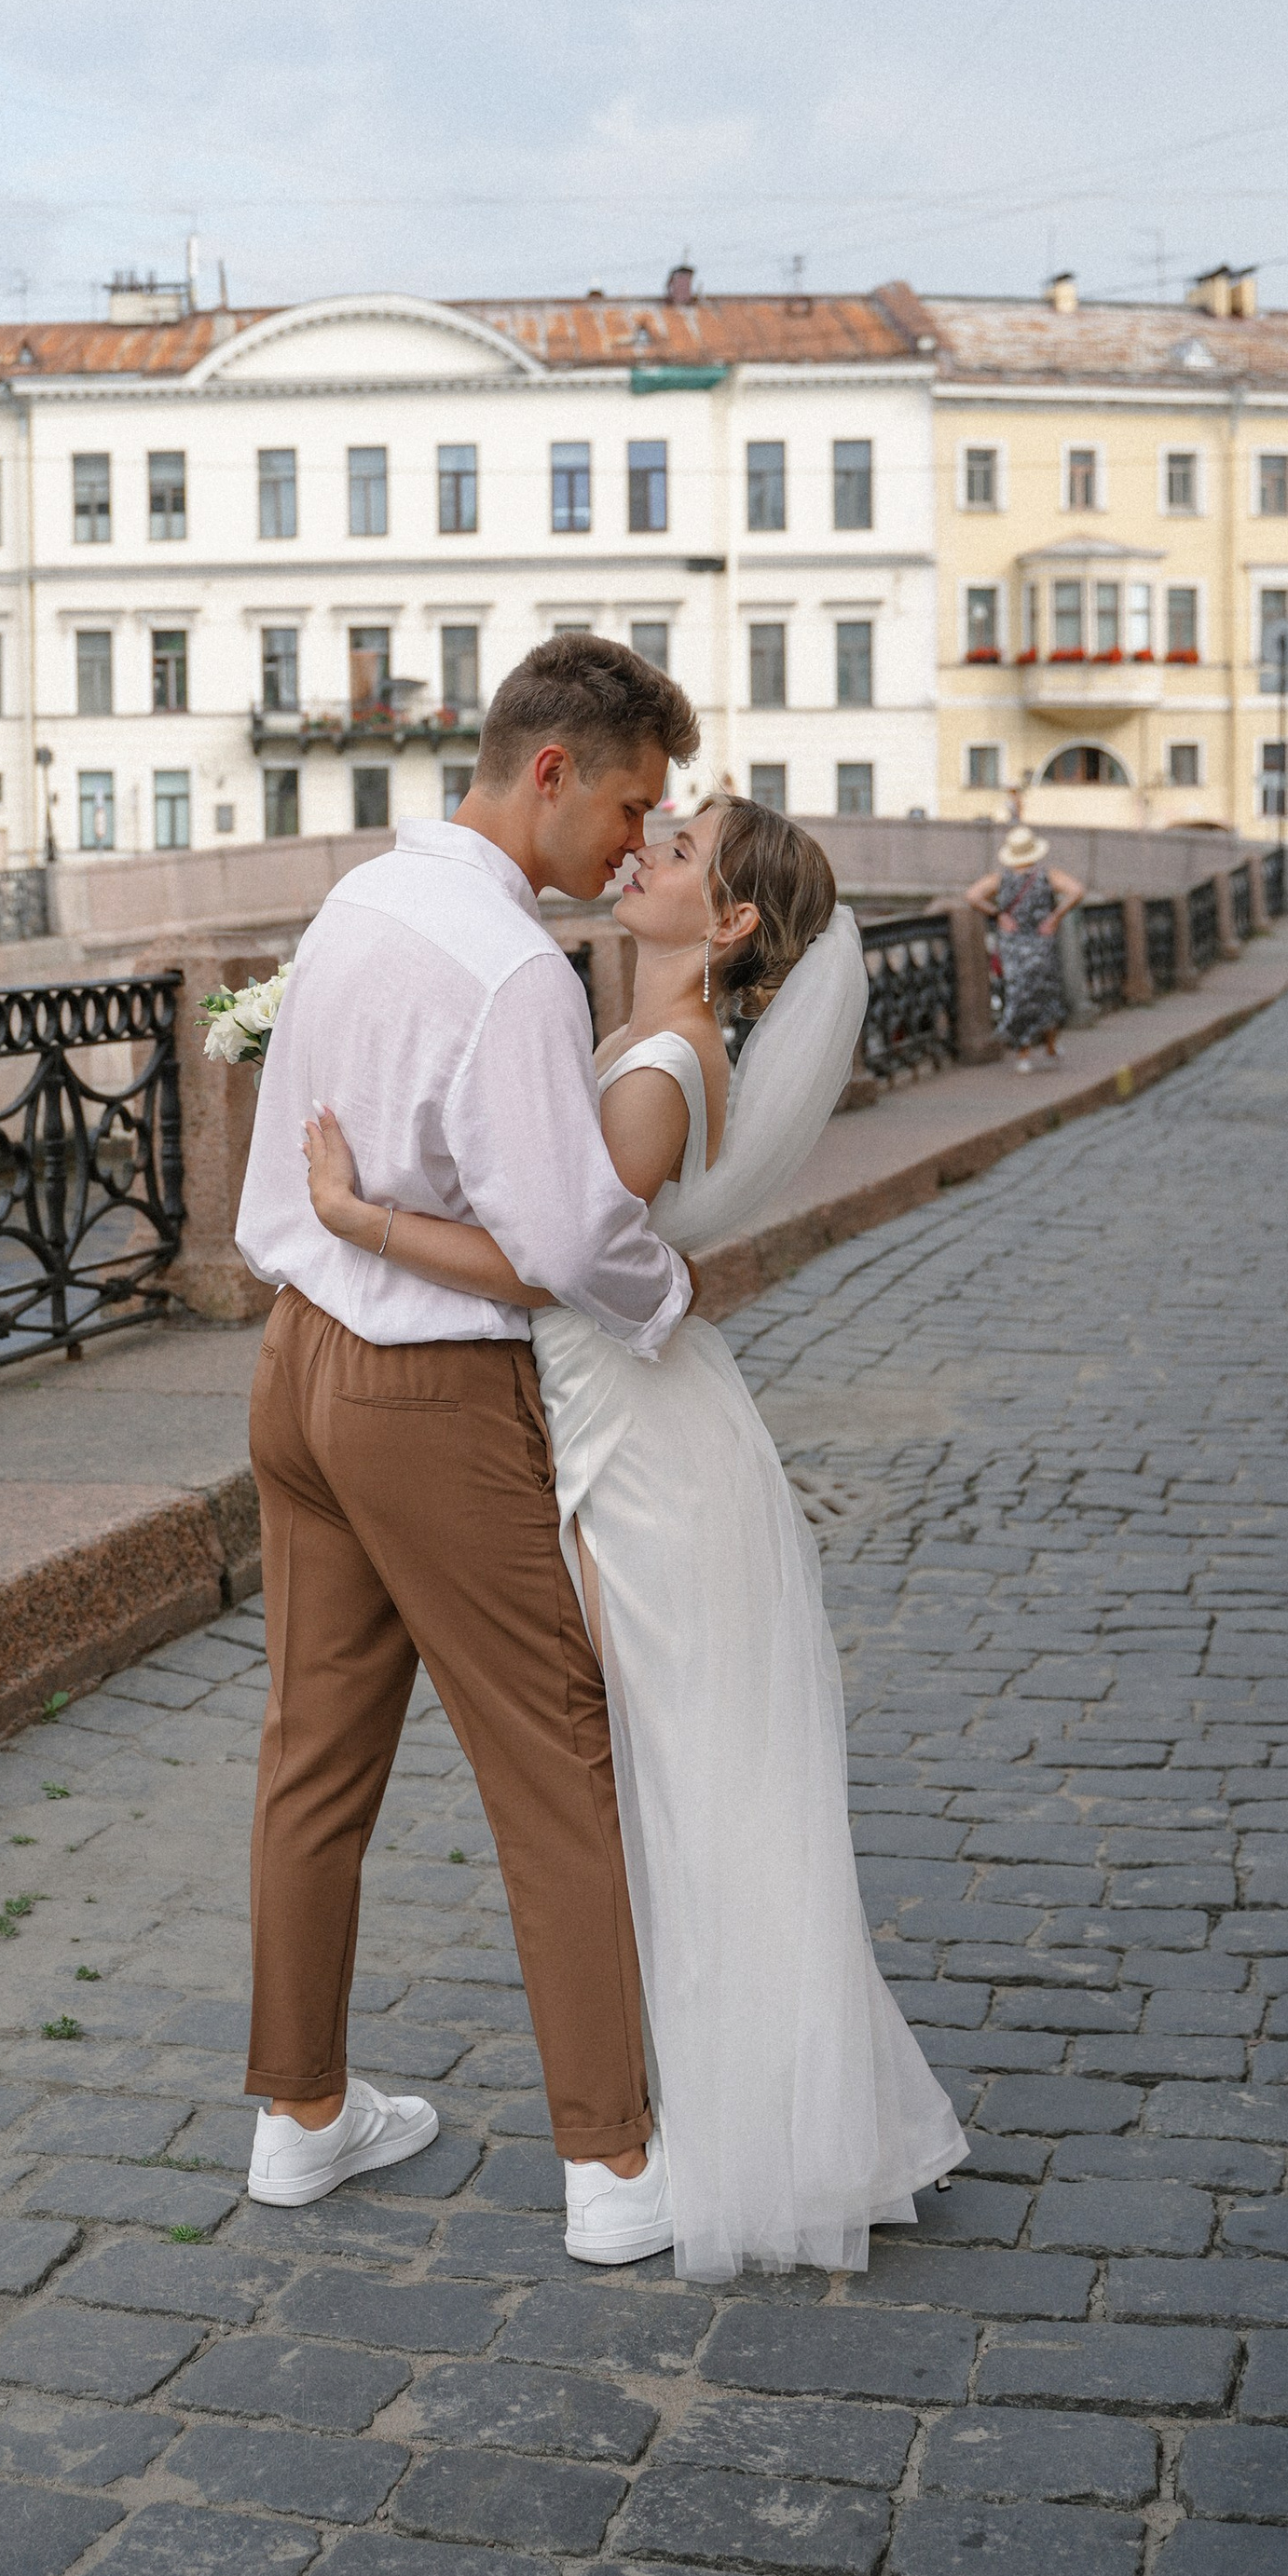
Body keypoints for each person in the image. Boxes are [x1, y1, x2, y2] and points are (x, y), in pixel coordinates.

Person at [304, 793, 968, 2278]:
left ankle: (751, 2127)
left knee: (681, 1776)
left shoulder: (661, 1069)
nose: (640, 854)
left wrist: (359, 1218)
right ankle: (746, 2105)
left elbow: (551, 1269)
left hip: (633, 1451)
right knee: (679, 1773)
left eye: (675, 855)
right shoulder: (652, 1043)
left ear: (728, 923)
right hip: (620, 1421)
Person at [233, 633, 696, 2268]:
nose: (636, 848)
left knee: (312, 1756)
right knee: (556, 1758)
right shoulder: (513, 967)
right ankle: (616, 2163)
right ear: (551, 770)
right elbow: (567, 1238)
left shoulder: (362, 899)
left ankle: (299, 2117)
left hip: (297, 1364)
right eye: (630, 807)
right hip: (426, 1394)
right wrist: (670, 1295)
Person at [966, 822, 1082, 1073]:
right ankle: (1050, 1047)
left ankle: (1023, 1054)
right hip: (1042, 943)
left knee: (1019, 996)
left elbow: (972, 895)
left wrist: (998, 915)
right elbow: (1077, 890)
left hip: (1013, 945)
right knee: (1047, 994)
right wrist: (1055, 916)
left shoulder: (1000, 879)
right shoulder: (1047, 876)